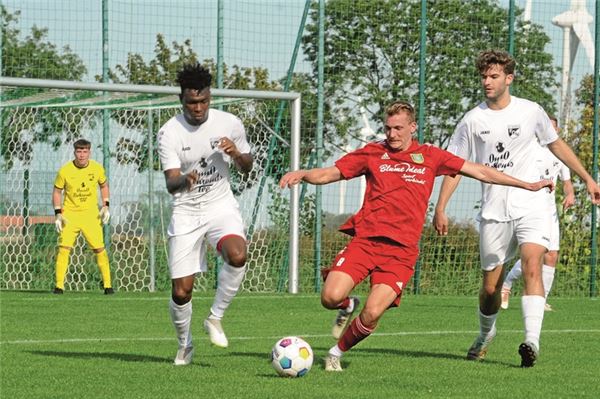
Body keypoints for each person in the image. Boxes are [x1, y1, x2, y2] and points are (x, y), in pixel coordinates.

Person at [279, 100, 554, 372]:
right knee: (329, 297)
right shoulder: (373, 153)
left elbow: (480, 171)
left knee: (374, 313)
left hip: (401, 253)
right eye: (387, 128)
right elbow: (330, 173)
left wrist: (526, 184)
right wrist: (303, 174)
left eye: (398, 128)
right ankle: (348, 303)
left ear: (413, 127)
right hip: (366, 242)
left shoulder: (432, 156)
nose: (392, 134)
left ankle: (335, 353)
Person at [433, 50, 600, 368]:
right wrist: (441, 206)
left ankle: (531, 342)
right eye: (483, 76)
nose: (487, 82)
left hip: (532, 205)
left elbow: (557, 144)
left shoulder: (530, 111)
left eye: (493, 76)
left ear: (509, 79)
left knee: (533, 262)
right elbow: (454, 167)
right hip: (494, 211)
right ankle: (485, 335)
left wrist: (587, 179)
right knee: (490, 287)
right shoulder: (472, 120)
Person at [157, 63, 253, 366]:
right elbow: (171, 182)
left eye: (203, 101)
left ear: (210, 97)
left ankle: (215, 318)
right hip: (186, 213)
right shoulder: (169, 132)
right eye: (191, 103)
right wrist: (185, 180)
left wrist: (236, 153)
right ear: (181, 101)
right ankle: (184, 344)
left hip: (220, 206)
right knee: (182, 291)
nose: (198, 108)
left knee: (237, 255)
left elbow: (247, 166)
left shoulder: (230, 123)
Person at [501, 116, 575, 312]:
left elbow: (567, 183)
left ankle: (542, 300)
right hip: (530, 208)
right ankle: (507, 284)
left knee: (551, 256)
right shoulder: (529, 151)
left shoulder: (560, 154)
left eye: (552, 128)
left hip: (549, 211)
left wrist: (570, 195)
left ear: (556, 132)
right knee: (535, 255)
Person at [52, 139, 113, 295]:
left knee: (99, 249)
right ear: (74, 152)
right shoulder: (65, 171)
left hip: (91, 216)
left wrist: (106, 205)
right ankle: (59, 286)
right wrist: (58, 214)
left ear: (89, 152)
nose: (82, 155)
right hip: (70, 216)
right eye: (79, 151)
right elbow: (57, 192)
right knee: (64, 249)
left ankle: (108, 286)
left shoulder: (97, 168)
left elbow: (104, 185)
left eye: (85, 151)